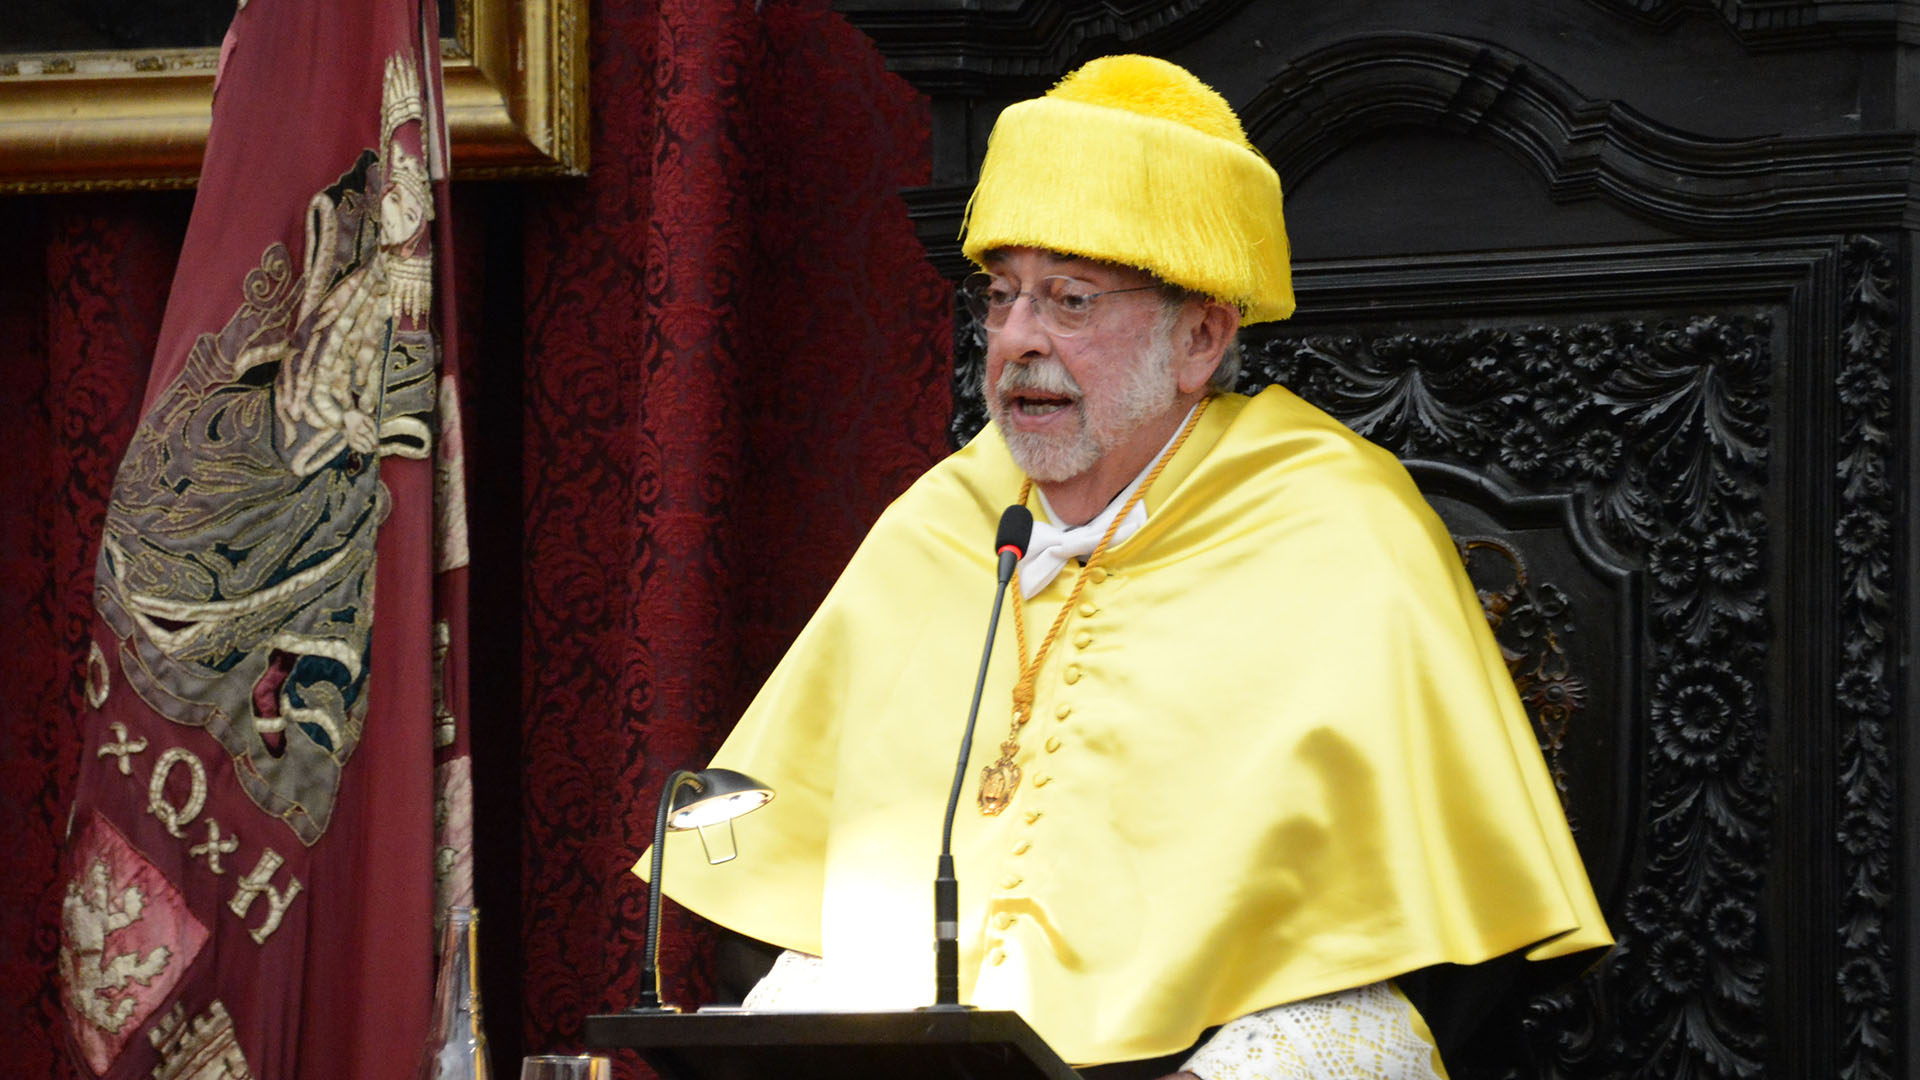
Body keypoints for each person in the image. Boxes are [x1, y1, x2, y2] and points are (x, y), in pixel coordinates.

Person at [641, 54, 1610, 1079]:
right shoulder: (942, 520)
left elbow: (1452, 952)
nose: (1017, 342)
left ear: (1200, 336)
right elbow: (777, 877)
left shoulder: (1339, 528)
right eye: (1001, 298)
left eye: (1069, 302)